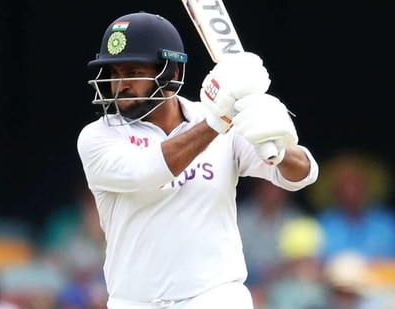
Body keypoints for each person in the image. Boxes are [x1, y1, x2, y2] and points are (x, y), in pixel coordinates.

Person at [76, 11, 319, 309]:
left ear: (172, 72)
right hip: (134, 301)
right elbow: (148, 171)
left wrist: (278, 145)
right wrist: (219, 121)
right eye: (115, 74)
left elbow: (303, 175)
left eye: (133, 72)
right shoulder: (98, 137)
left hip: (215, 296)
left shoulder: (219, 121)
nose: (120, 85)